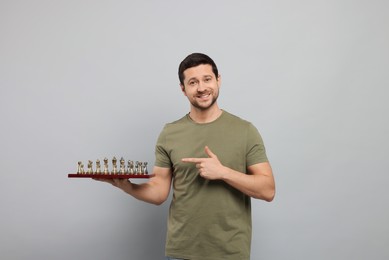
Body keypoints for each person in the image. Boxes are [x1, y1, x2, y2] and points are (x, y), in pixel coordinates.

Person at [97, 53, 275, 260]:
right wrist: (125, 186)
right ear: (183, 89)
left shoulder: (245, 131)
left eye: (207, 79)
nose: (201, 88)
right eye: (193, 82)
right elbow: (158, 192)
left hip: (230, 252)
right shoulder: (169, 133)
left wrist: (224, 172)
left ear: (218, 80)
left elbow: (268, 190)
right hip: (181, 250)